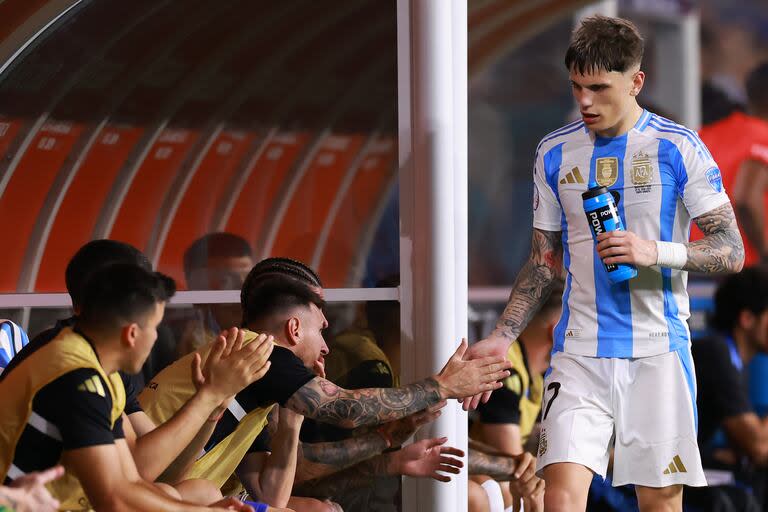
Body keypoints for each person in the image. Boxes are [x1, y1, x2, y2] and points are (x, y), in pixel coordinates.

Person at [465, 15, 744, 512]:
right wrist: (503, 336)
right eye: (576, 87)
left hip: (658, 352)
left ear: (636, 81)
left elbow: (731, 248)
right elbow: (542, 261)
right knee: (560, 496)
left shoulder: (677, 147)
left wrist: (652, 251)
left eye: (598, 87)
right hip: (580, 352)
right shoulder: (553, 151)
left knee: (659, 501)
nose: (585, 102)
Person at [141, 270, 510, 509]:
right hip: (148, 492)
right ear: (294, 330)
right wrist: (441, 386)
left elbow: (271, 496)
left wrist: (294, 420)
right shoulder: (260, 351)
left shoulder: (252, 376)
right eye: (321, 329)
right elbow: (347, 409)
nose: (327, 346)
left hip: (167, 489)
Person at [16, 239, 276, 508]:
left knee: (200, 491)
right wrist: (209, 395)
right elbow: (117, 498)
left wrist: (213, 403)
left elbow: (145, 475)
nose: (157, 337)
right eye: (154, 325)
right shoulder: (76, 375)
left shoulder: (99, 371)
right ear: (131, 330)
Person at [471, 285, 562, 512]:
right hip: (484, 476)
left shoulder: (538, 373)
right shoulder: (505, 371)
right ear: (555, 330)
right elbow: (516, 458)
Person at [686, 266, 768, 510]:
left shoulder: (731, 358)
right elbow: (759, 449)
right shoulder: (717, 353)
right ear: (747, 319)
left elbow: (745, 447)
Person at [696, 61, 768, 266]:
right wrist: (764, 255)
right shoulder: (764, 136)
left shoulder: (703, 136)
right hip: (746, 270)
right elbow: (746, 199)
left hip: (696, 264)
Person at [176, 233, 255, 357]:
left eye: (247, 276)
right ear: (196, 283)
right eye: (225, 279)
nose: (241, 286)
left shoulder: (263, 331)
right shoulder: (177, 336)